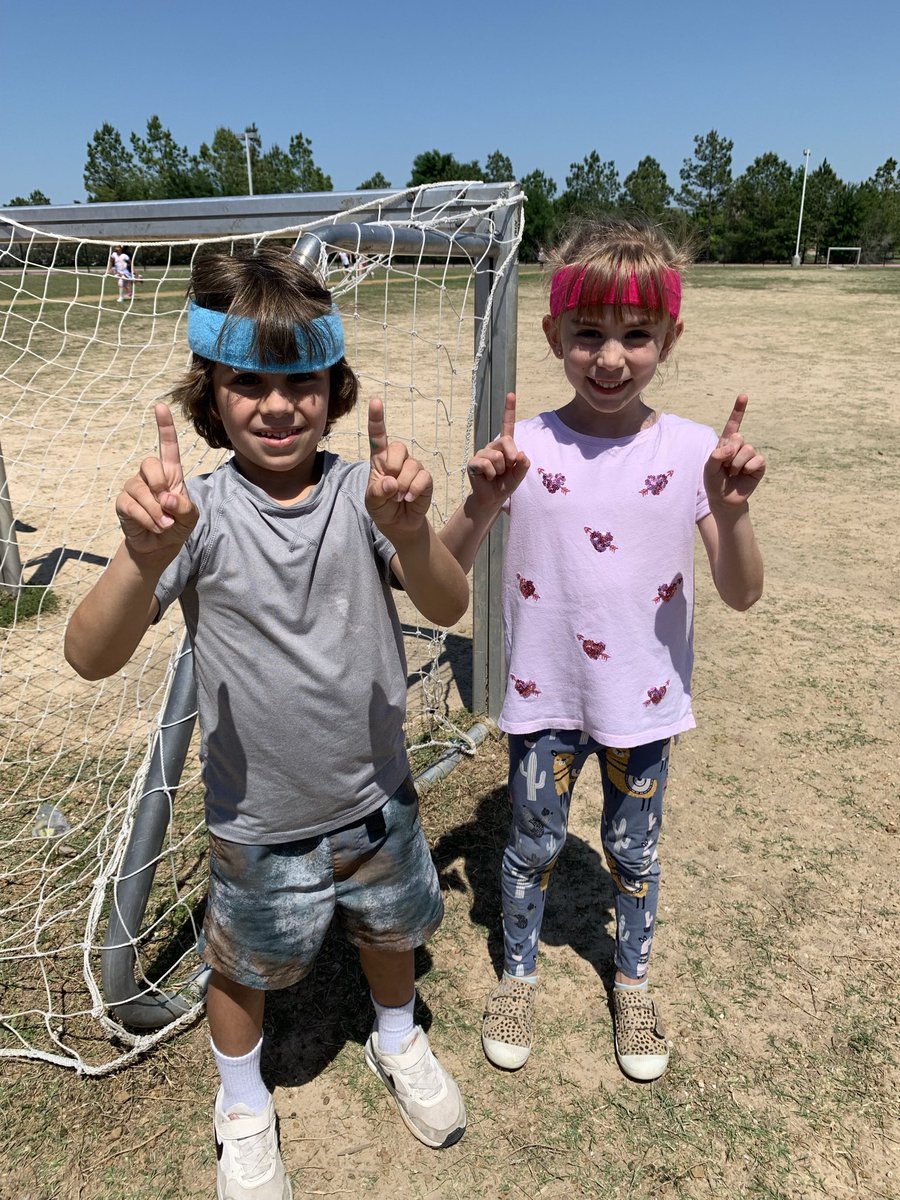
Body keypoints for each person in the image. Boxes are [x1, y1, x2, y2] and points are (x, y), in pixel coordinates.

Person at [65, 245, 470, 1199]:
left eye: (301, 380)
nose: (278, 405)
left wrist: (412, 531)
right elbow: (89, 654)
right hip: (255, 819)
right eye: (249, 381)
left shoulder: (362, 494)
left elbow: (448, 604)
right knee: (241, 967)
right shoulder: (193, 515)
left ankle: (398, 1037)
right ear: (210, 393)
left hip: (379, 798)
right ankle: (243, 1105)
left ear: (334, 386)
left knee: (389, 934)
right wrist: (141, 557)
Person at [440, 216, 765, 1083]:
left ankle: (633, 981)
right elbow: (442, 572)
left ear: (669, 339)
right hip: (544, 699)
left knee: (634, 852)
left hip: (642, 706)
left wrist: (731, 513)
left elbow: (741, 592)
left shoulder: (692, 451)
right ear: (554, 336)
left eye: (636, 335)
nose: (611, 358)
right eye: (588, 333)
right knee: (532, 847)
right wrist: (480, 501)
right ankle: (518, 976)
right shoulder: (524, 449)